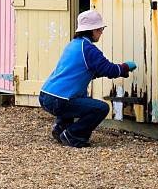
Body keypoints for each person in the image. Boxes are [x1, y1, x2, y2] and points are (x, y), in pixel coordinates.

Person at [39, 10, 137, 148]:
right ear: (91, 30)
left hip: (46, 95)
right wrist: (124, 67)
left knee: (74, 100)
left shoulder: (73, 44)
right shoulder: (89, 49)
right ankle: (73, 135)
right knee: (100, 108)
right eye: (100, 29)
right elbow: (109, 69)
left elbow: (91, 72)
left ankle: (60, 128)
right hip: (59, 100)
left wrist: (119, 70)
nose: (101, 32)